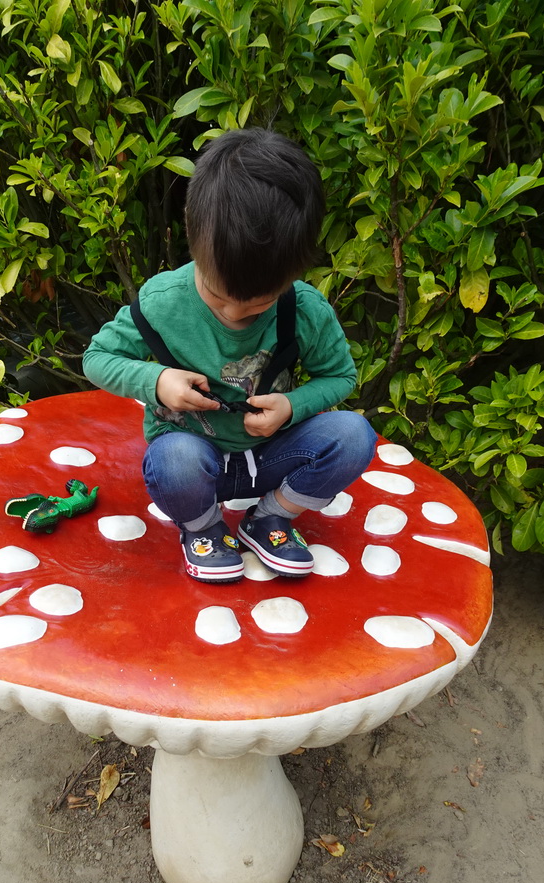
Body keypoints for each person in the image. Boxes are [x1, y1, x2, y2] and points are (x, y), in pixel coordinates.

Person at [82, 128, 376, 583]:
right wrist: (157, 382)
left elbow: (340, 376)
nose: (236, 313)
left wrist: (292, 406)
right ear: (195, 245)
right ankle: (204, 529)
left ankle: (270, 518)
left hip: (272, 457)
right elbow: (97, 358)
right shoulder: (163, 302)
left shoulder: (306, 310)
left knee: (355, 435)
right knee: (172, 459)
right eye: (218, 297)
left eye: (258, 304)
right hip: (195, 462)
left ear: (294, 274)